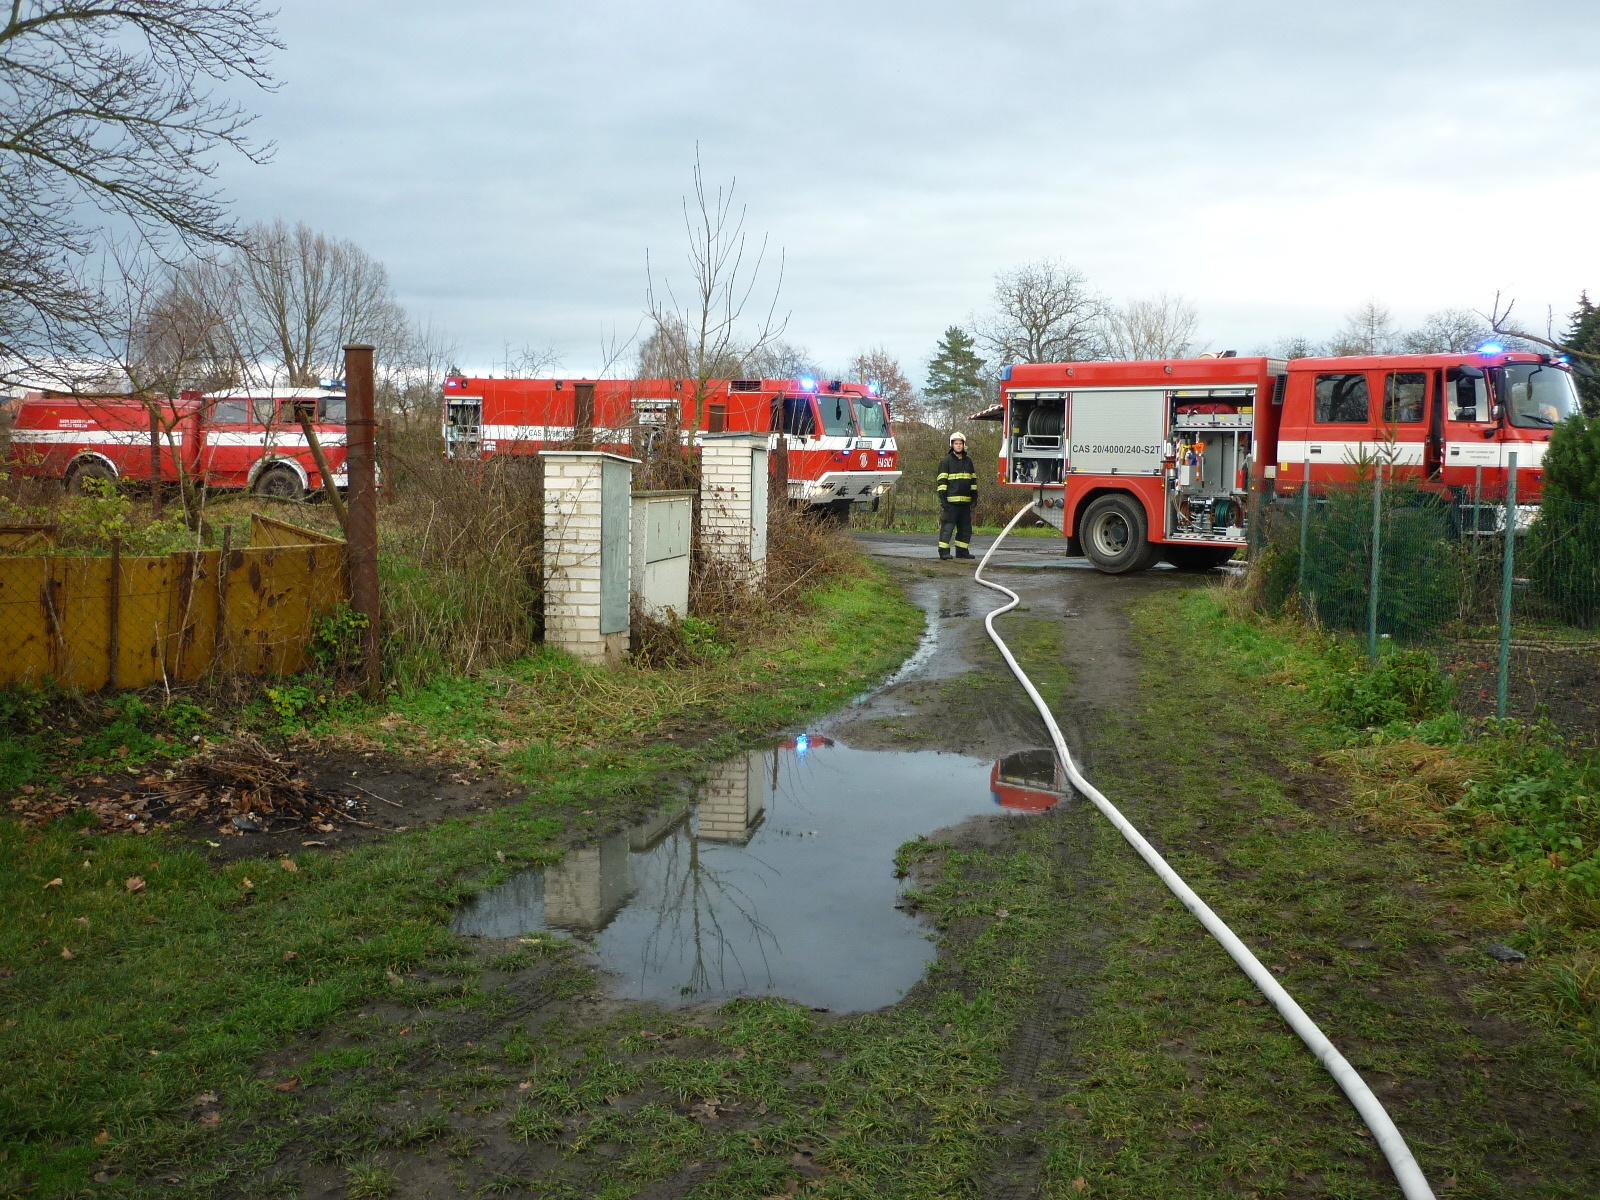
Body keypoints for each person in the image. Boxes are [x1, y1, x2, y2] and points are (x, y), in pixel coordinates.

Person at [935, 432, 977, 560]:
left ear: (964, 445)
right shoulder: (946, 461)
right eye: (956, 443)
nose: (958, 446)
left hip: (965, 502)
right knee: (947, 528)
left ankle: (962, 551)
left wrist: (974, 496)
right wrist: (943, 499)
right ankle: (944, 552)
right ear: (952, 445)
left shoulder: (968, 461)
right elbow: (942, 481)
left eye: (960, 443)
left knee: (965, 529)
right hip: (951, 503)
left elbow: (973, 480)